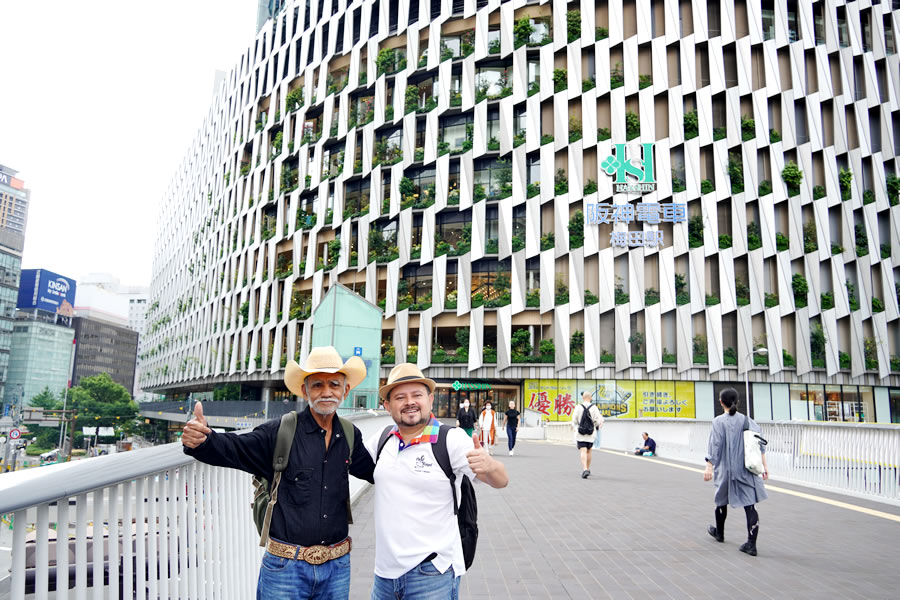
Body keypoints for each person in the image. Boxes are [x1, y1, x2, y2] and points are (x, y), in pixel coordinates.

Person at [182, 346, 376, 599]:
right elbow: (235, 448)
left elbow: (376, 472)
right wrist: (202, 440)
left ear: (345, 391)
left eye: (334, 385)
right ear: (305, 391)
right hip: (286, 569)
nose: (326, 392)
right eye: (317, 385)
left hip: (337, 567)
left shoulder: (349, 434)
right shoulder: (280, 432)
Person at [367, 364, 508, 599]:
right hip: (384, 575)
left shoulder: (450, 440)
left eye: (417, 395)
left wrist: (491, 465)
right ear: (387, 405)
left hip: (432, 573)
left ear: (430, 400)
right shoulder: (381, 440)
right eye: (400, 397)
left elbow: (501, 480)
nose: (409, 402)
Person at [703, 388, 769, 557]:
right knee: (750, 506)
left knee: (721, 501)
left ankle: (719, 532)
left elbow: (715, 445)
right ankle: (751, 544)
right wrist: (764, 467)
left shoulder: (718, 421)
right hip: (746, 470)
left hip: (726, 469)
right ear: (737, 402)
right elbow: (759, 444)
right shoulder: (748, 420)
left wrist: (709, 465)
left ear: (721, 402)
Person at [571, 392, 603, 479]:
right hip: (591, 433)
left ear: (583, 397)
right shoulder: (594, 407)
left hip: (580, 432)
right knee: (589, 451)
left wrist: (576, 426)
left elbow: (574, 420)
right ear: (590, 397)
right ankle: (588, 468)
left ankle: (585, 469)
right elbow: (598, 420)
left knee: (583, 451)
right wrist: (593, 426)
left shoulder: (578, 406)